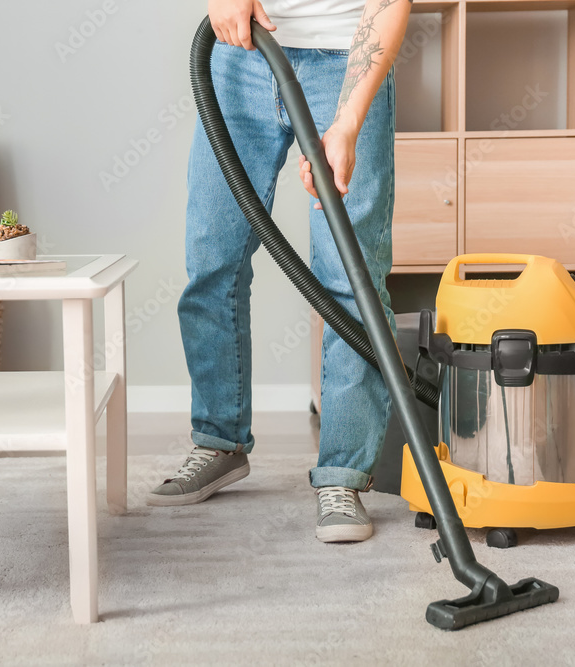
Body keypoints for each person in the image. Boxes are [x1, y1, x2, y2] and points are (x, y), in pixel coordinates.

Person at [147, 0, 413, 544]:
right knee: (211, 257)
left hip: (346, 61)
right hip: (240, 55)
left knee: (350, 276)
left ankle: (343, 474)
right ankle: (219, 442)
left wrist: (347, 123)